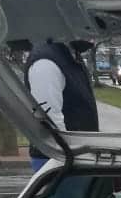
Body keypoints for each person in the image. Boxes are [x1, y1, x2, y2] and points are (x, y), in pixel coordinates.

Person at [25, 39, 98, 172]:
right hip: (58, 161)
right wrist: (68, 157)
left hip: (75, 156)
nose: (92, 38)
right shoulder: (46, 62)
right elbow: (50, 120)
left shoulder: (69, 55)